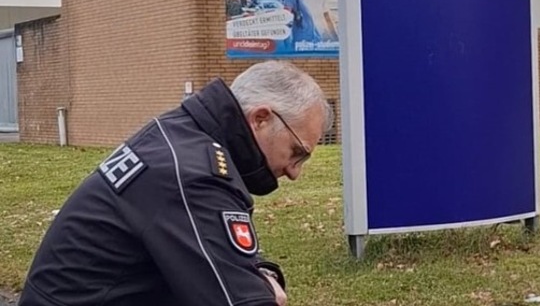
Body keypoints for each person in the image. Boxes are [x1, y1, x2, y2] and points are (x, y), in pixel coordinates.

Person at [17, 60, 334, 306]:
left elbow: (216, 258)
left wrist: (259, 274)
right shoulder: (195, 174)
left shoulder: (181, 136)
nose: (295, 172)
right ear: (261, 118)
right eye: (297, 153)